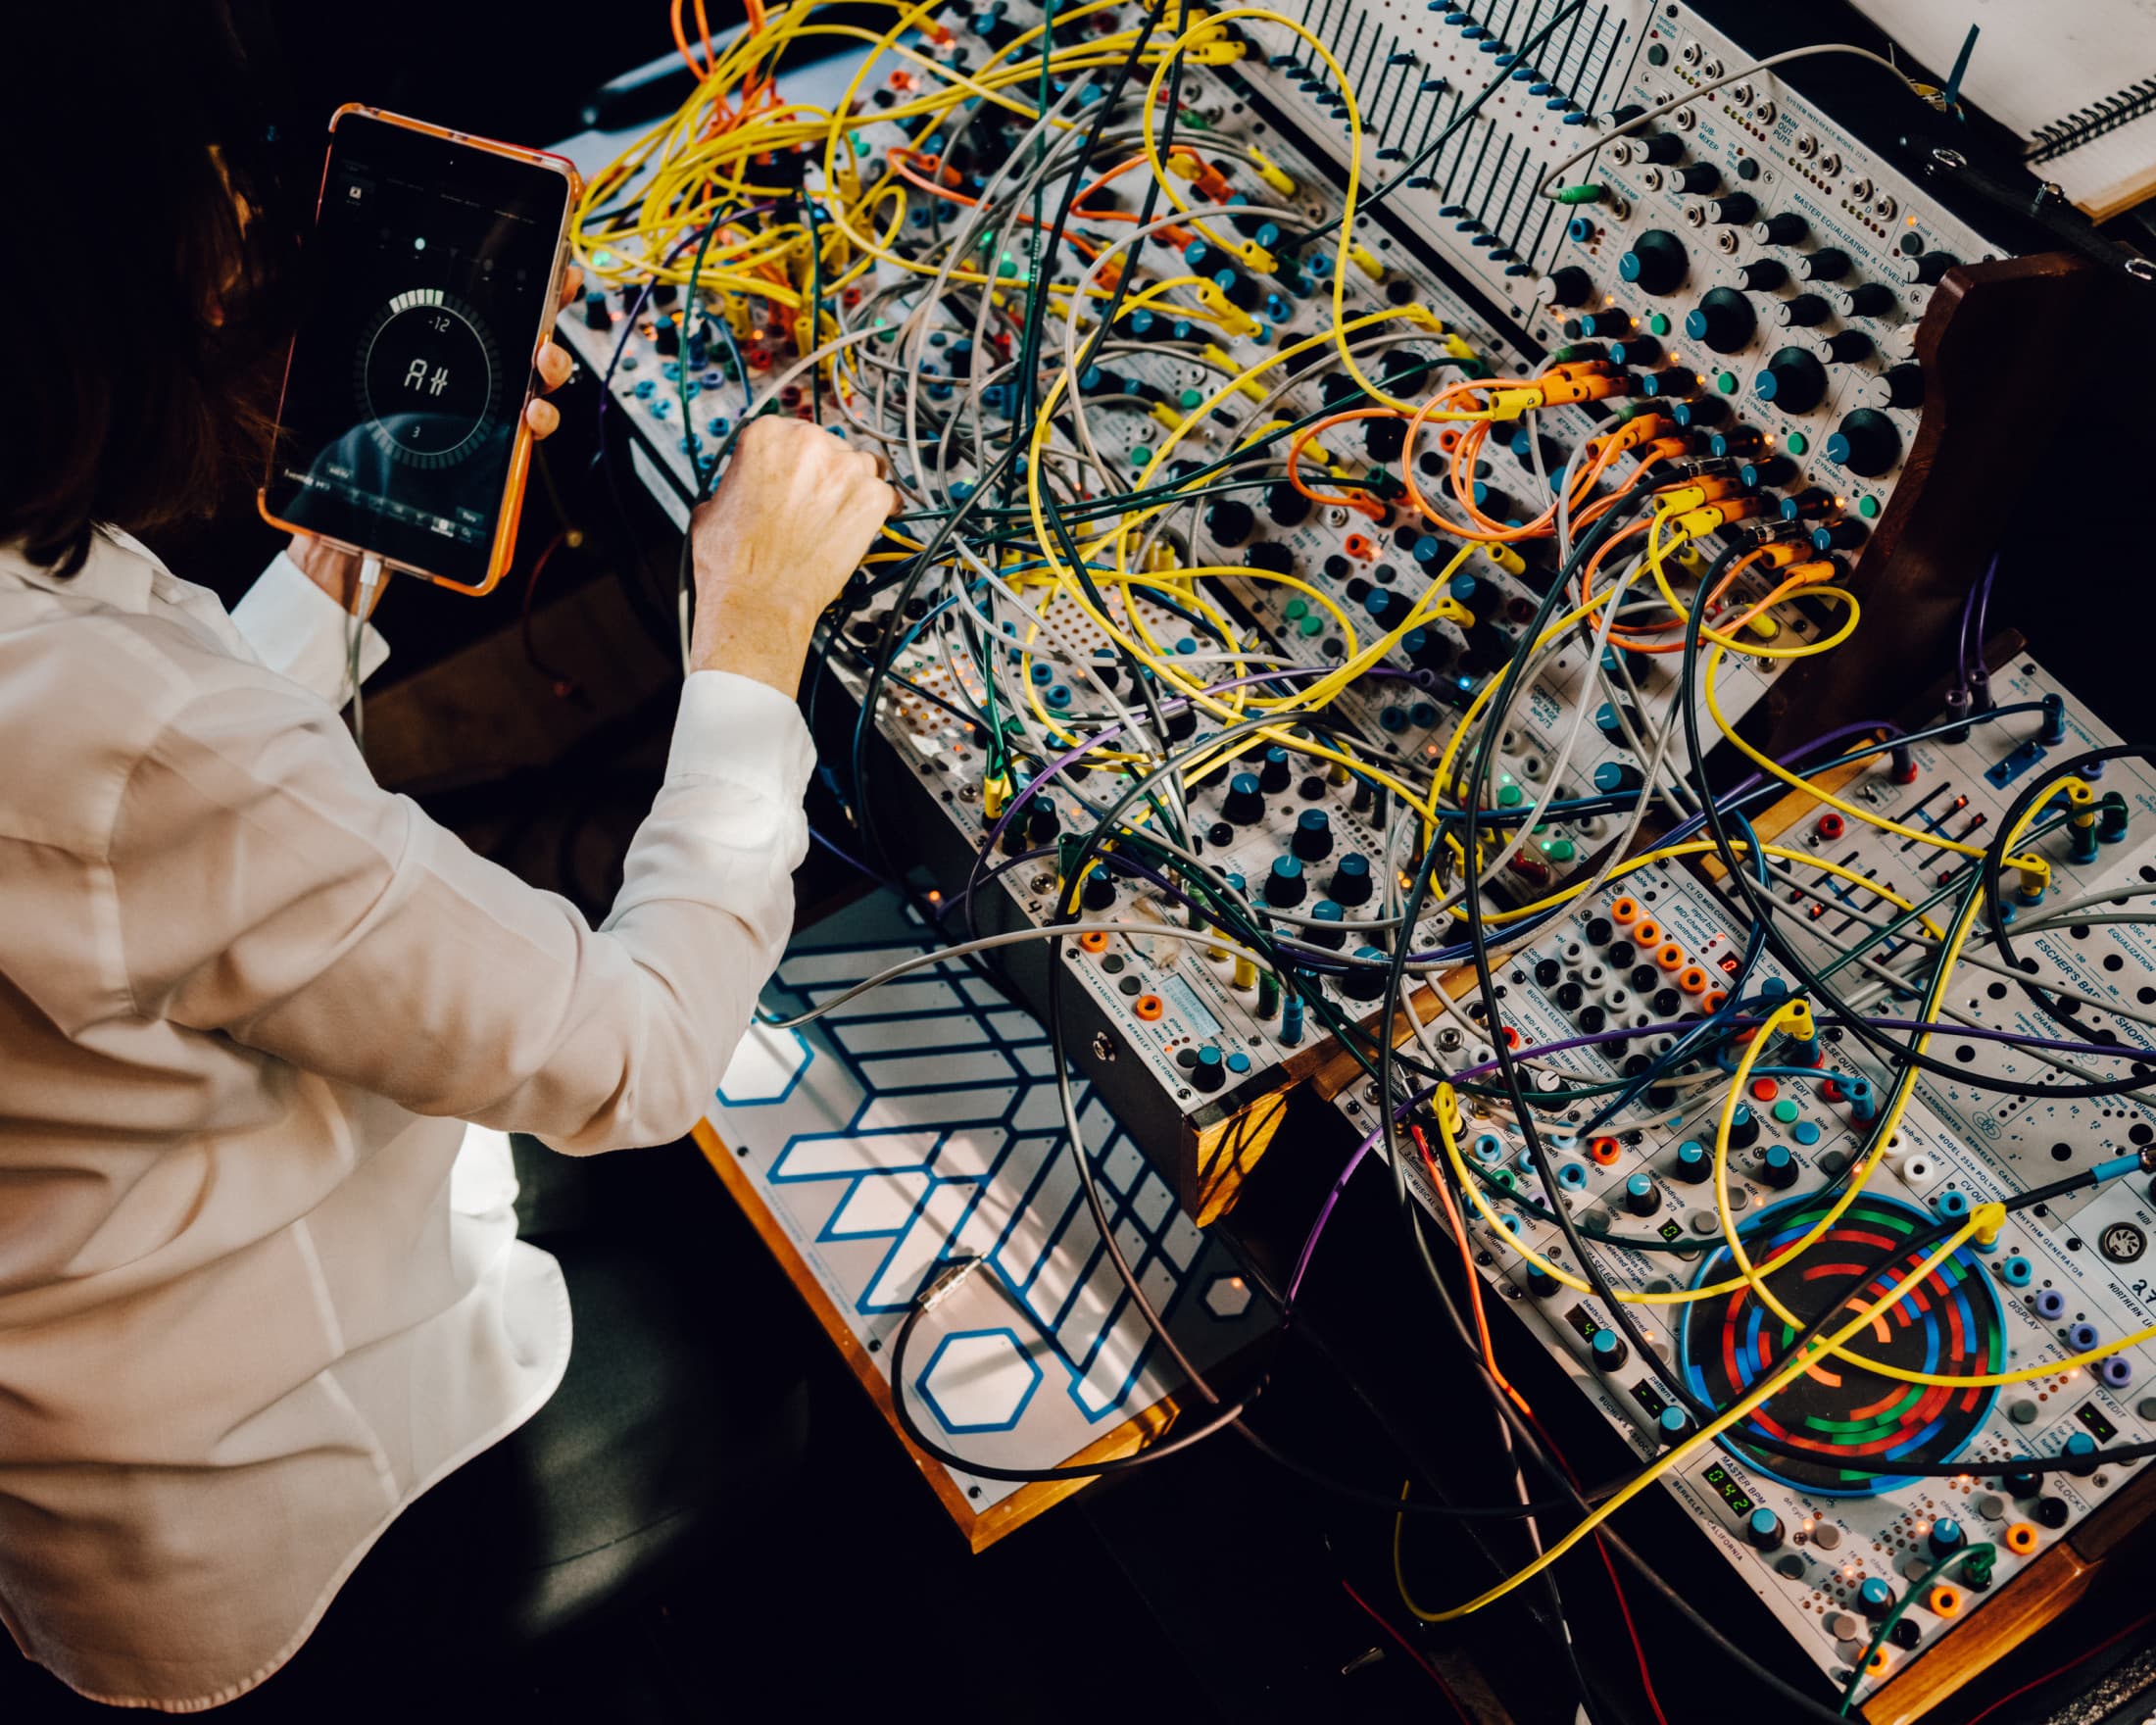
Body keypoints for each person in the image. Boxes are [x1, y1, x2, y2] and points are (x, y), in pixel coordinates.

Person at [0, 3, 895, 1712]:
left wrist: (351, 539)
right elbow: (637, 1055)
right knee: (804, 1342)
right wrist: (757, 628)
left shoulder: (77, 696)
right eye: (217, 183)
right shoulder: (131, 750)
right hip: (280, 1536)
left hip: (83, 1437)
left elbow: (142, 848)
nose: (251, 224)